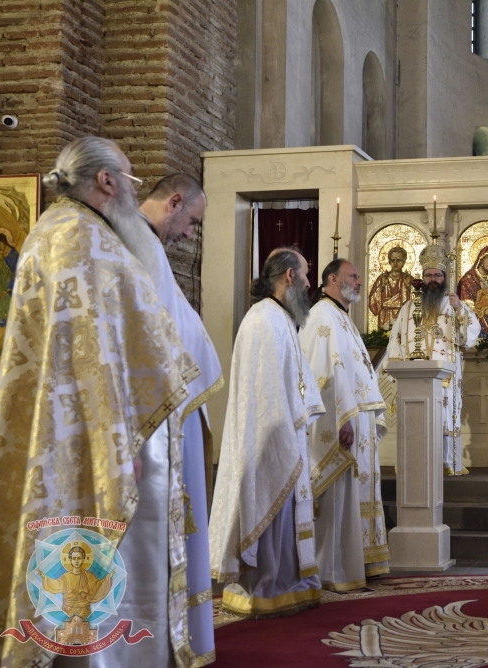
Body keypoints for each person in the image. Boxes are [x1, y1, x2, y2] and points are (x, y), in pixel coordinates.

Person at [0, 136, 200, 667]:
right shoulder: (84, 240)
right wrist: (116, 444)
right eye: (129, 179)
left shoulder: (55, 232)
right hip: (107, 439)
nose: (134, 190)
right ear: (106, 182)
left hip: (83, 428)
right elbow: (94, 355)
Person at [130, 173, 221, 663]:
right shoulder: (140, 245)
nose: (190, 234)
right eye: (192, 222)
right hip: (151, 422)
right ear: (175, 202)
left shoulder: (145, 246)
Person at [209, 248, 325, 619]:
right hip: (270, 435)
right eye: (306, 275)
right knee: (272, 507)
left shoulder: (274, 317)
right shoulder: (266, 320)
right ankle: (270, 585)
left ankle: (282, 582)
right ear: (288, 276)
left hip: (279, 430)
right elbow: (268, 392)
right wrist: (285, 431)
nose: (310, 284)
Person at [299, 259, 389, 592]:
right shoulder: (323, 315)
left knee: (353, 494)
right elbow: (325, 372)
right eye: (354, 276)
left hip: (355, 418)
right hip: (343, 421)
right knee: (336, 496)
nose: (361, 281)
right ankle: (331, 568)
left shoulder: (339, 315)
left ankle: (357, 560)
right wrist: (342, 418)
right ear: (332, 279)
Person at [386, 243, 481, 475]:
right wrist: (395, 372)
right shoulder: (408, 308)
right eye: (428, 275)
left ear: (444, 277)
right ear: (422, 277)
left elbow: (468, 337)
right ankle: (414, 463)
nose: (432, 279)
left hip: (445, 376)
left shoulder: (455, 306)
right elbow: (395, 340)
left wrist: (460, 310)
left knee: (445, 418)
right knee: (415, 420)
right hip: (413, 376)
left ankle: (446, 463)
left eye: (437, 275)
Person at [367, 246, 414, 330]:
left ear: (404, 261)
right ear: (389, 261)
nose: (395, 263)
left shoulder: (408, 279)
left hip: (403, 315)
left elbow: (417, 300)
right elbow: (372, 301)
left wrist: (409, 287)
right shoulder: (382, 279)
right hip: (385, 316)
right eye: (392, 260)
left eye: (399, 260)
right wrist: (381, 287)